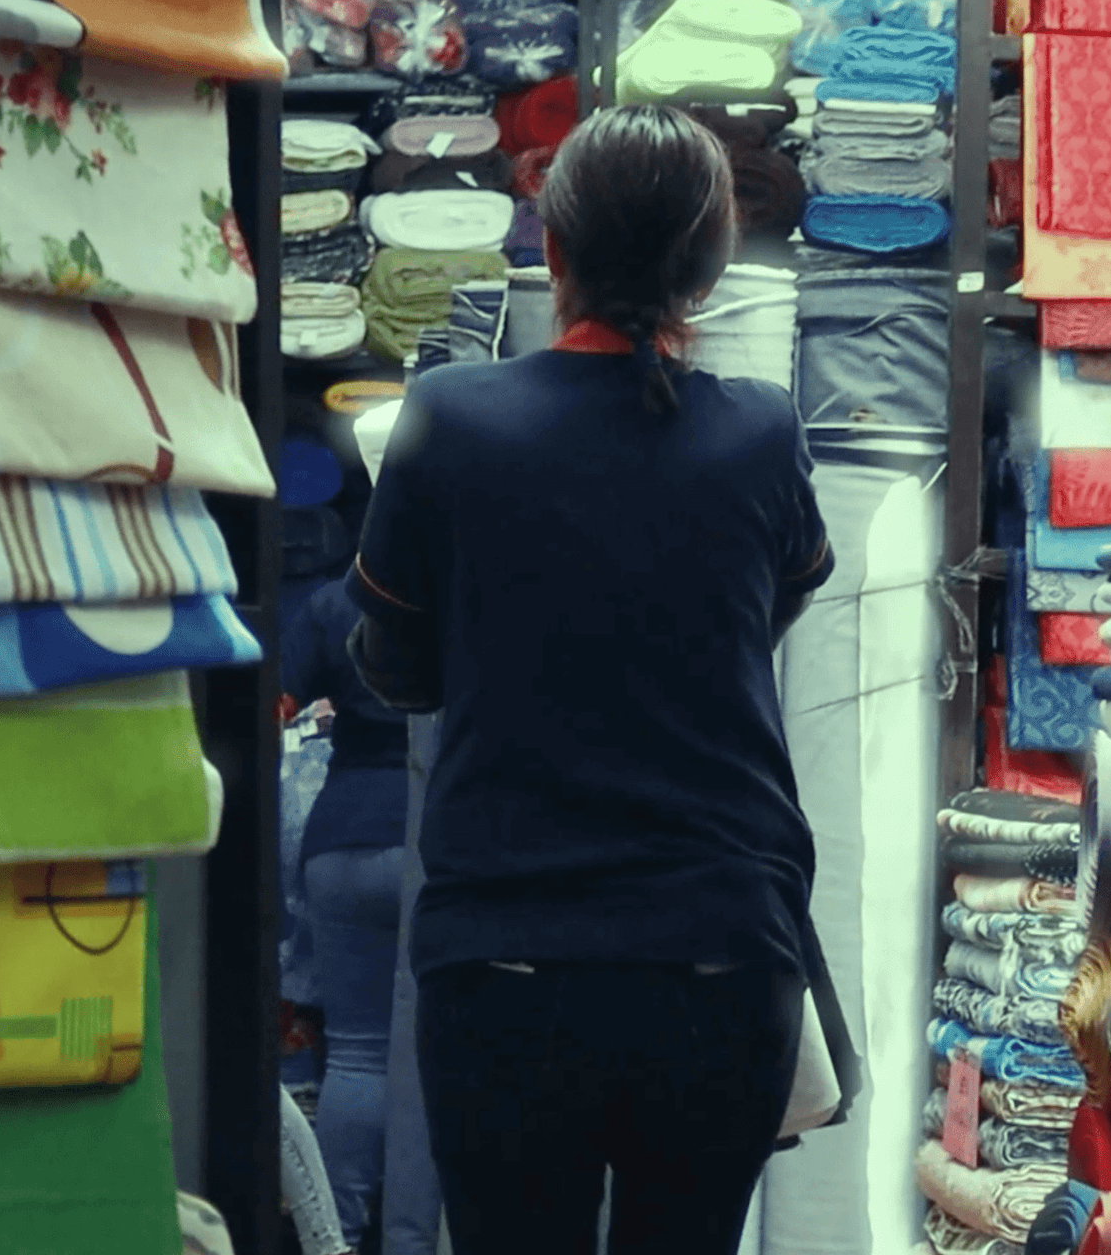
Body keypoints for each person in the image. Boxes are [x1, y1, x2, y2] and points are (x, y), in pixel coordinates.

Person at [342, 104, 837, 1255]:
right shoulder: (759, 433)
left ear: (552, 247)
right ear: (709, 266)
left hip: (506, 954)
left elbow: (396, 669)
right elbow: (763, 619)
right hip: (719, 949)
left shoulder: (451, 417)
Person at [280, 573, 412, 1252]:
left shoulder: (333, 603)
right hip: (439, 837)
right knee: (433, 1057)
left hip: (341, 838)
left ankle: (336, 1240)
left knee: (357, 1055)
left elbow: (269, 707)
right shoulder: (478, 582)